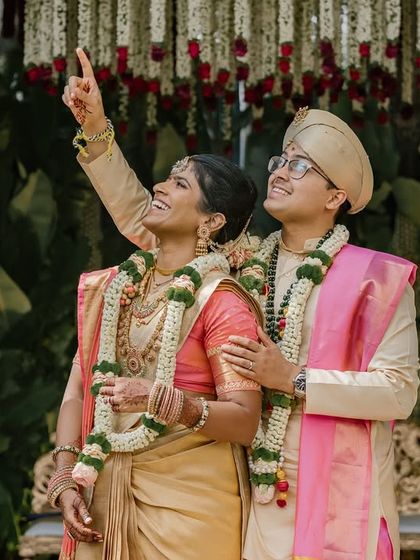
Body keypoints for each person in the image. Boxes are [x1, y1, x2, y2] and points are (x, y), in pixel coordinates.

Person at [64, 49, 419, 559]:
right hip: (249, 489)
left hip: (339, 485)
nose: (280, 172)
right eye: (280, 161)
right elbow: (149, 218)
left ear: (334, 196)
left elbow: (398, 392)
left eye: (300, 166)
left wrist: (293, 379)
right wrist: (97, 129)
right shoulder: (242, 260)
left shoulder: (376, 279)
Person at [52, 52, 267, 560]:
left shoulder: (222, 299)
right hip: (100, 500)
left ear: (212, 222)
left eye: (179, 184)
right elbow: (80, 383)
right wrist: (65, 476)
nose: (161, 187)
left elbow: (243, 420)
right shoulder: (122, 287)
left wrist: (161, 400)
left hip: (190, 513)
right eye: (167, 177)